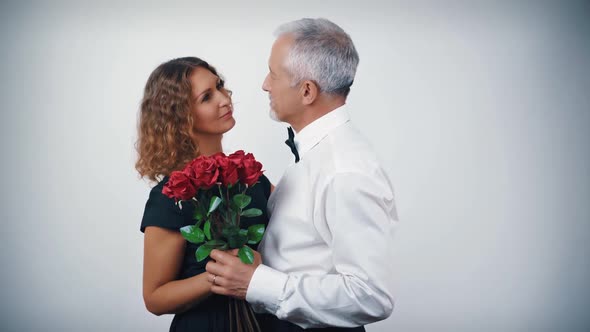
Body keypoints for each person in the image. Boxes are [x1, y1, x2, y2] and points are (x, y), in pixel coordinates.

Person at [205, 18, 399, 331]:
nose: (265, 84)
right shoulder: (315, 155)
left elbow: (371, 296)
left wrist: (258, 283)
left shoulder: (345, 170)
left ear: (307, 91)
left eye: (274, 74)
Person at [135, 57, 272, 331]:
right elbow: (154, 297)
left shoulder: (252, 178)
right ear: (181, 116)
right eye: (207, 97)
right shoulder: (171, 196)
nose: (224, 99)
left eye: (220, 87)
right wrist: (221, 276)